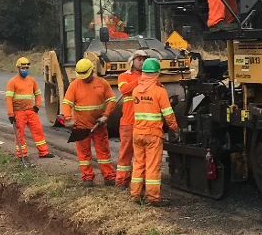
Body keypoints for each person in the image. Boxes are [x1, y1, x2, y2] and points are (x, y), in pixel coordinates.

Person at [60, 58, 116, 187]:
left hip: (99, 125)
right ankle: (87, 177)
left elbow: (111, 100)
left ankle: (109, 177)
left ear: (92, 71)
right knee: (84, 154)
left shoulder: (102, 83)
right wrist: (68, 118)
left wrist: (106, 116)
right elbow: (67, 103)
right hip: (81, 126)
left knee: (103, 153)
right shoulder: (75, 85)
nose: (84, 79)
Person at [130, 58, 179, 206]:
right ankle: (153, 198)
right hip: (153, 135)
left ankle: (135, 196)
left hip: (137, 133)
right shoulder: (159, 91)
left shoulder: (136, 91)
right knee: (152, 166)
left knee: (138, 164)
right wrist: (175, 129)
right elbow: (168, 114)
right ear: (157, 73)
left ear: (143, 73)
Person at [5, 57, 51, 160]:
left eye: (26, 67)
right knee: (19, 134)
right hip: (18, 112)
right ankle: (22, 154)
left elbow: (38, 94)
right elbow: (8, 99)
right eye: (23, 68)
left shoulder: (32, 80)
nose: (25, 70)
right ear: (18, 68)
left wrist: (37, 106)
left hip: (31, 111)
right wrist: (11, 114)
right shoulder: (12, 82)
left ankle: (43, 152)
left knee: (38, 131)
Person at [115, 50, 148, 188]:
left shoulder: (150, 77)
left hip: (143, 123)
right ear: (132, 61)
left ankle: (143, 182)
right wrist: (141, 80)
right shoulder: (124, 76)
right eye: (139, 59)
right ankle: (122, 181)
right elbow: (124, 90)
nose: (141, 62)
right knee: (125, 153)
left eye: (144, 59)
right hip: (128, 123)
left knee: (143, 155)